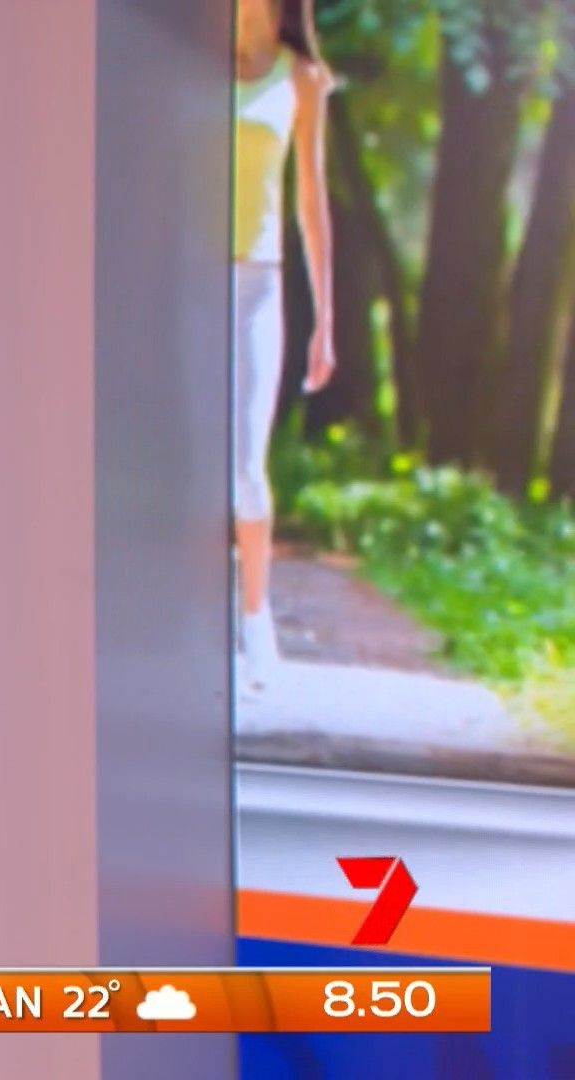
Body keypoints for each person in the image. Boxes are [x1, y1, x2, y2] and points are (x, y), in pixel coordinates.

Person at [235, 0, 337, 686]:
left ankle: (255, 620)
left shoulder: (302, 78)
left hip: (258, 282)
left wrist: (325, 318)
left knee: (246, 460)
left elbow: (310, 200)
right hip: (187, 280)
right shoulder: (193, 66)